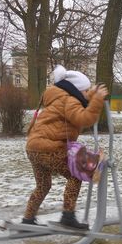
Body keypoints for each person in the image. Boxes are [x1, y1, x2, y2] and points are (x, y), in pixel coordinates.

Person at [22, 65, 108, 229]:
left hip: (34, 148)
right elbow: (83, 118)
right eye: (86, 90)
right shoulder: (70, 100)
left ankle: (28, 219)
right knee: (75, 176)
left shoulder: (60, 97)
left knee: (43, 185)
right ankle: (68, 216)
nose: (86, 94)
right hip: (50, 148)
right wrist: (97, 101)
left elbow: (81, 98)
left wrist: (91, 93)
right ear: (77, 90)